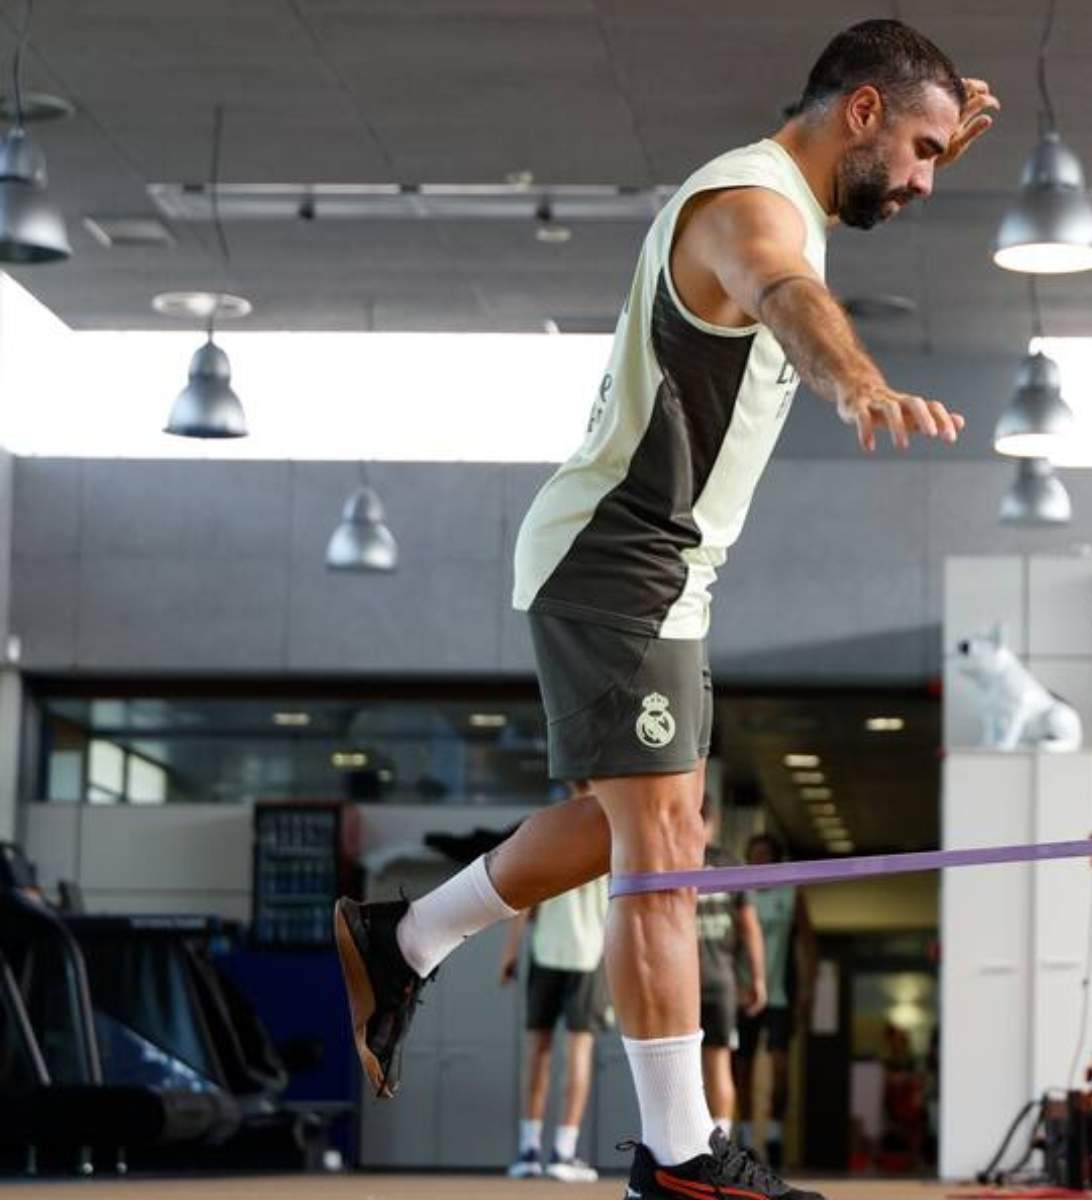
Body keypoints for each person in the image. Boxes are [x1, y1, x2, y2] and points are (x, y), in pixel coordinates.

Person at [331, 19, 995, 1200]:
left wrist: (930, 135)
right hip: (617, 560)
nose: (924, 179)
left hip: (663, 570)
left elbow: (826, 229)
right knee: (663, 853)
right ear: (857, 113)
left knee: (633, 826)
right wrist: (858, 380)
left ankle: (409, 936)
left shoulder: (793, 191)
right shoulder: (746, 211)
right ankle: (681, 1158)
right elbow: (781, 291)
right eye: (918, 149)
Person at [498, 816, 612, 1183]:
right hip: (588, 955)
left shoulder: (550, 838)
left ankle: (529, 1150)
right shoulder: (608, 835)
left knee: (538, 1051)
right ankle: (562, 1151)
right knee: (576, 1052)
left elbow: (524, 900)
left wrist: (510, 952)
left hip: (549, 952)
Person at [732, 833, 814, 1166]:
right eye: (754, 856)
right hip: (743, 994)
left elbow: (809, 943)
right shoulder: (739, 893)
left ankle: (776, 1135)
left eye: (765, 855)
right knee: (742, 1069)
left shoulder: (791, 894)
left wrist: (809, 988)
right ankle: (749, 1139)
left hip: (780, 994)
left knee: (780, 1069)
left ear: (775, 860)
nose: (759, 862)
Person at [696, 798, 765, 1143]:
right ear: (715, 820)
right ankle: (720, 1143)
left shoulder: (672, 861)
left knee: (679, 1069)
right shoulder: (731, 865)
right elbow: (750, 928)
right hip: (719, 980)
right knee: (719, 1062)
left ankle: (684, 1147)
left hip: (681, 984)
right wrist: (758, 980)